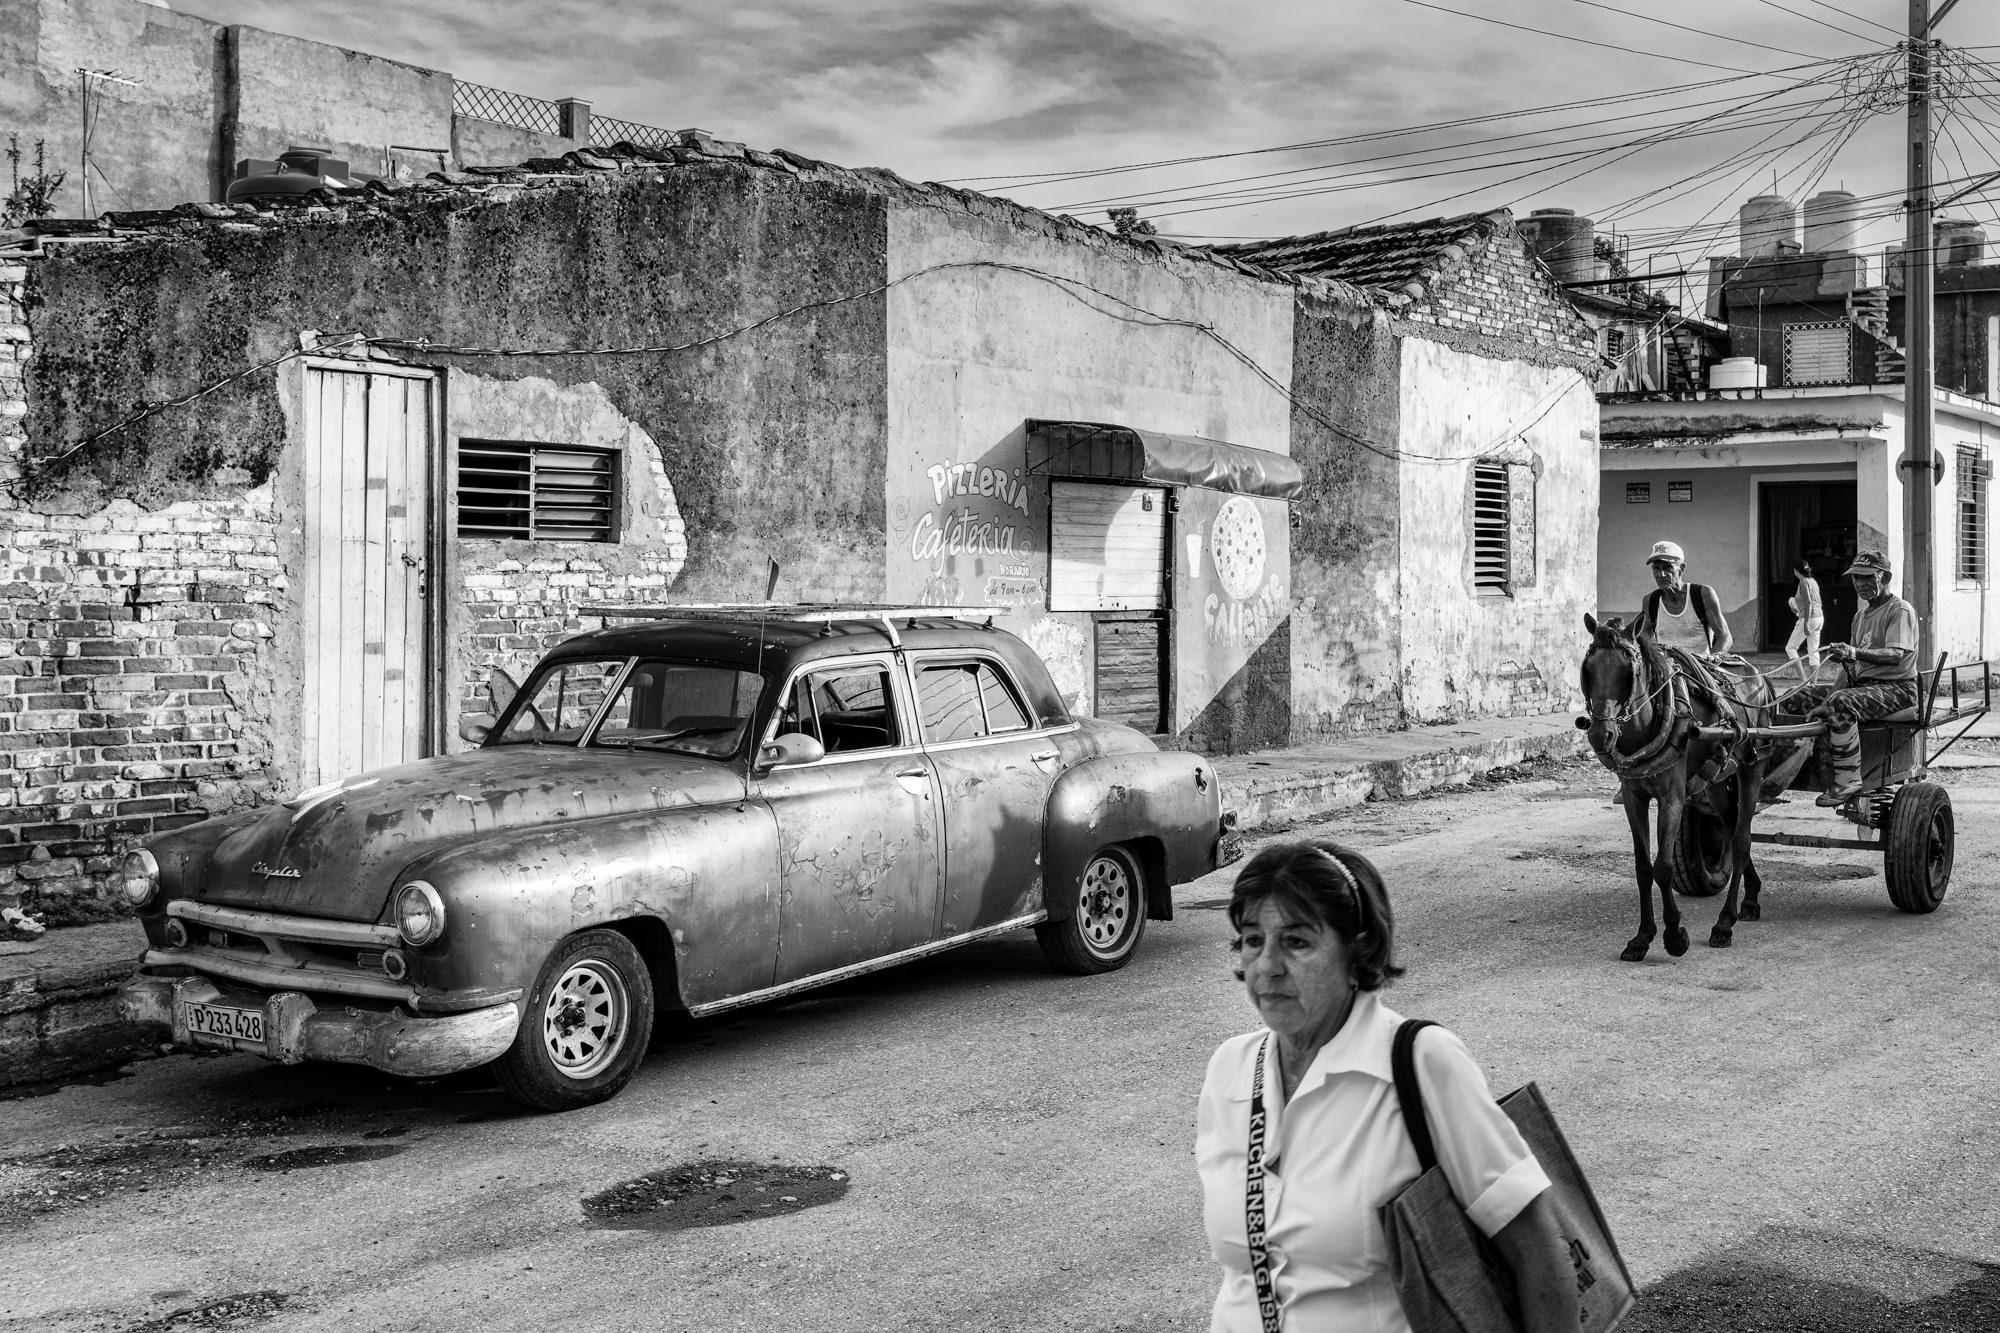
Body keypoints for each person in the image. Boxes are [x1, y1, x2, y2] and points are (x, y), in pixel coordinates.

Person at [1196, 841, 1579, 1333]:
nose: (1267, 966)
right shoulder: (1230, 1070)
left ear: (1357, 948)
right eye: (1252, 940)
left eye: (1296, 942)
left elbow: (1537, 1248)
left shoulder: (1418, 1062)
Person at [1784, 550, 1919, 807]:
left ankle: (1848, 778)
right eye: (1856, 578)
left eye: (1867, 577)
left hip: (1898, 688)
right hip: (1863, 687)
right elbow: (1850, 669)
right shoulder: (1860, 617)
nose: (1860, 584)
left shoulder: (1899, 610)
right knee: (1795, 697)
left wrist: (1854, 652)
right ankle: (1785, 764)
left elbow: (1895, 655)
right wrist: (1830, 696)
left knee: (1843, 703)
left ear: (1885, 577)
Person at [1635, 539, 1732, 656]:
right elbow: (1642, 640)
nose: (1661, 575)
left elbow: (1724, 637)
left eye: (1667, 567)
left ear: (1682, 568)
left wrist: (1711, 661)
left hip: (1700, 668)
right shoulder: (1650, 601)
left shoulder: (1702, 594)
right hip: (1668, 671)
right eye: (1656, 568)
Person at [1784, 559, 1824, 670]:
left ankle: (1803, 681)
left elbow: (1808, 602)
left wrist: (1806, 623)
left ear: (1796, 571)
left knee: (1790, 648)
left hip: (1810, 618)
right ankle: (1813, 684)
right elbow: (1816, 602)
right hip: (1819, 617)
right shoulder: (1813, 581)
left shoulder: (1803, 582)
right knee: (1813, 651)